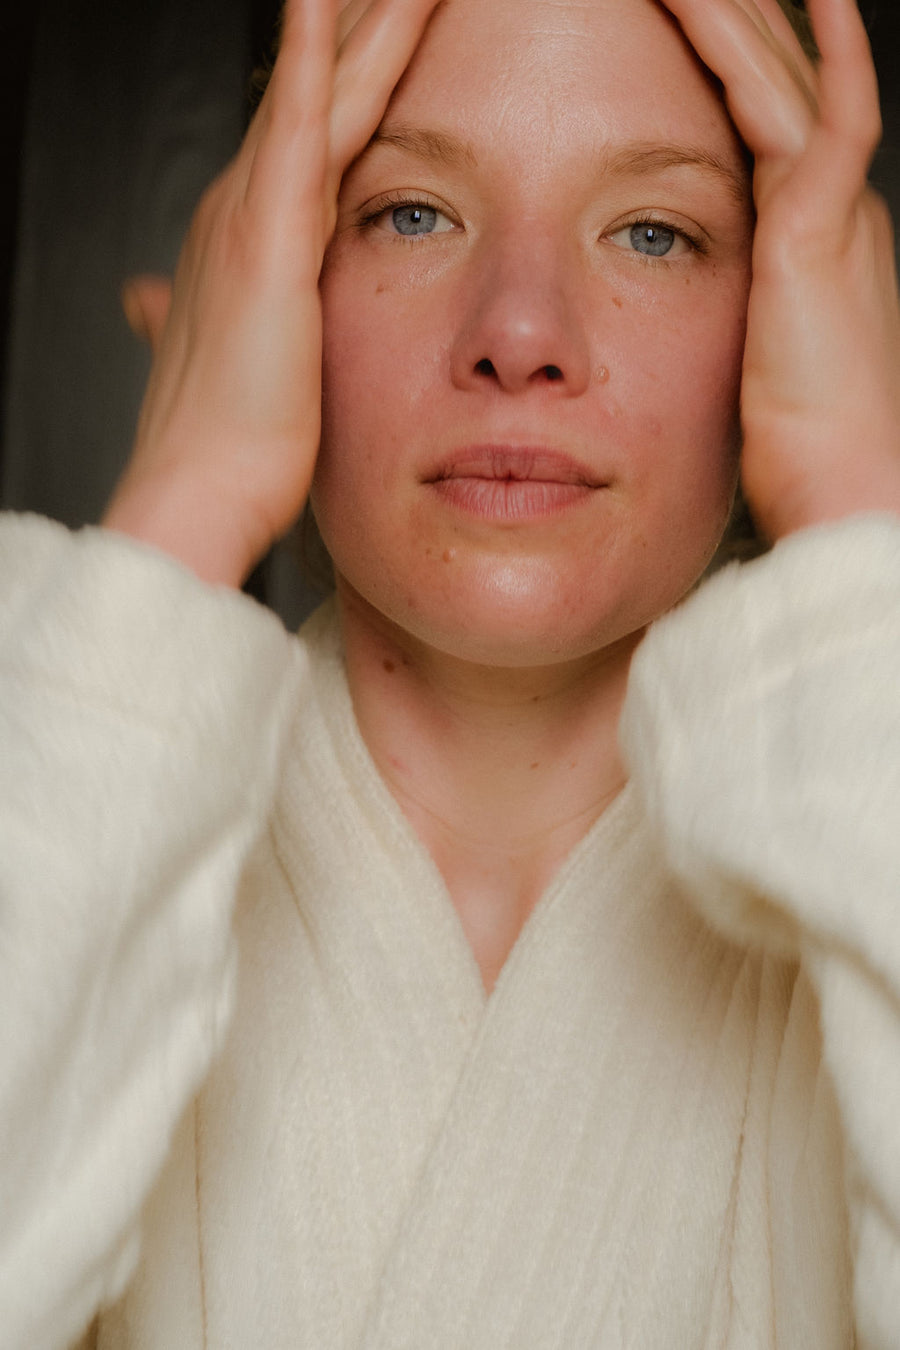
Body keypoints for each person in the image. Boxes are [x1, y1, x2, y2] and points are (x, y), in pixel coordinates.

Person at [2, 0, 899, 1344]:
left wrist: (856, 512)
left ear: (791, 313)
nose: (521, 330)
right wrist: (188, 496)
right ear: (258, 287)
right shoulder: (44, 742)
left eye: (655, 233)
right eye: (411, 213)